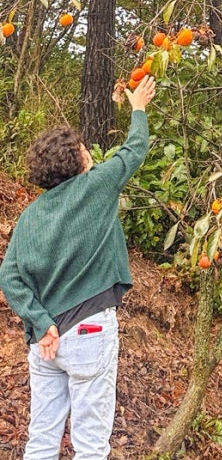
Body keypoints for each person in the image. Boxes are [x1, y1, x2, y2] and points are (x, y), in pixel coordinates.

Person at [0, 76, 156, 460]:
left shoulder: (31, 216)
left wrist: (40, 321)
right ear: (76, 160)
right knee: (90, 445)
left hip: (46, 341)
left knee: (41, 438)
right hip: (90, 330)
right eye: (84, 148)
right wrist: (138, 109)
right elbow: (133, 151)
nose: (89, 151)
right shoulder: (96, 187)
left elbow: (10, 275)